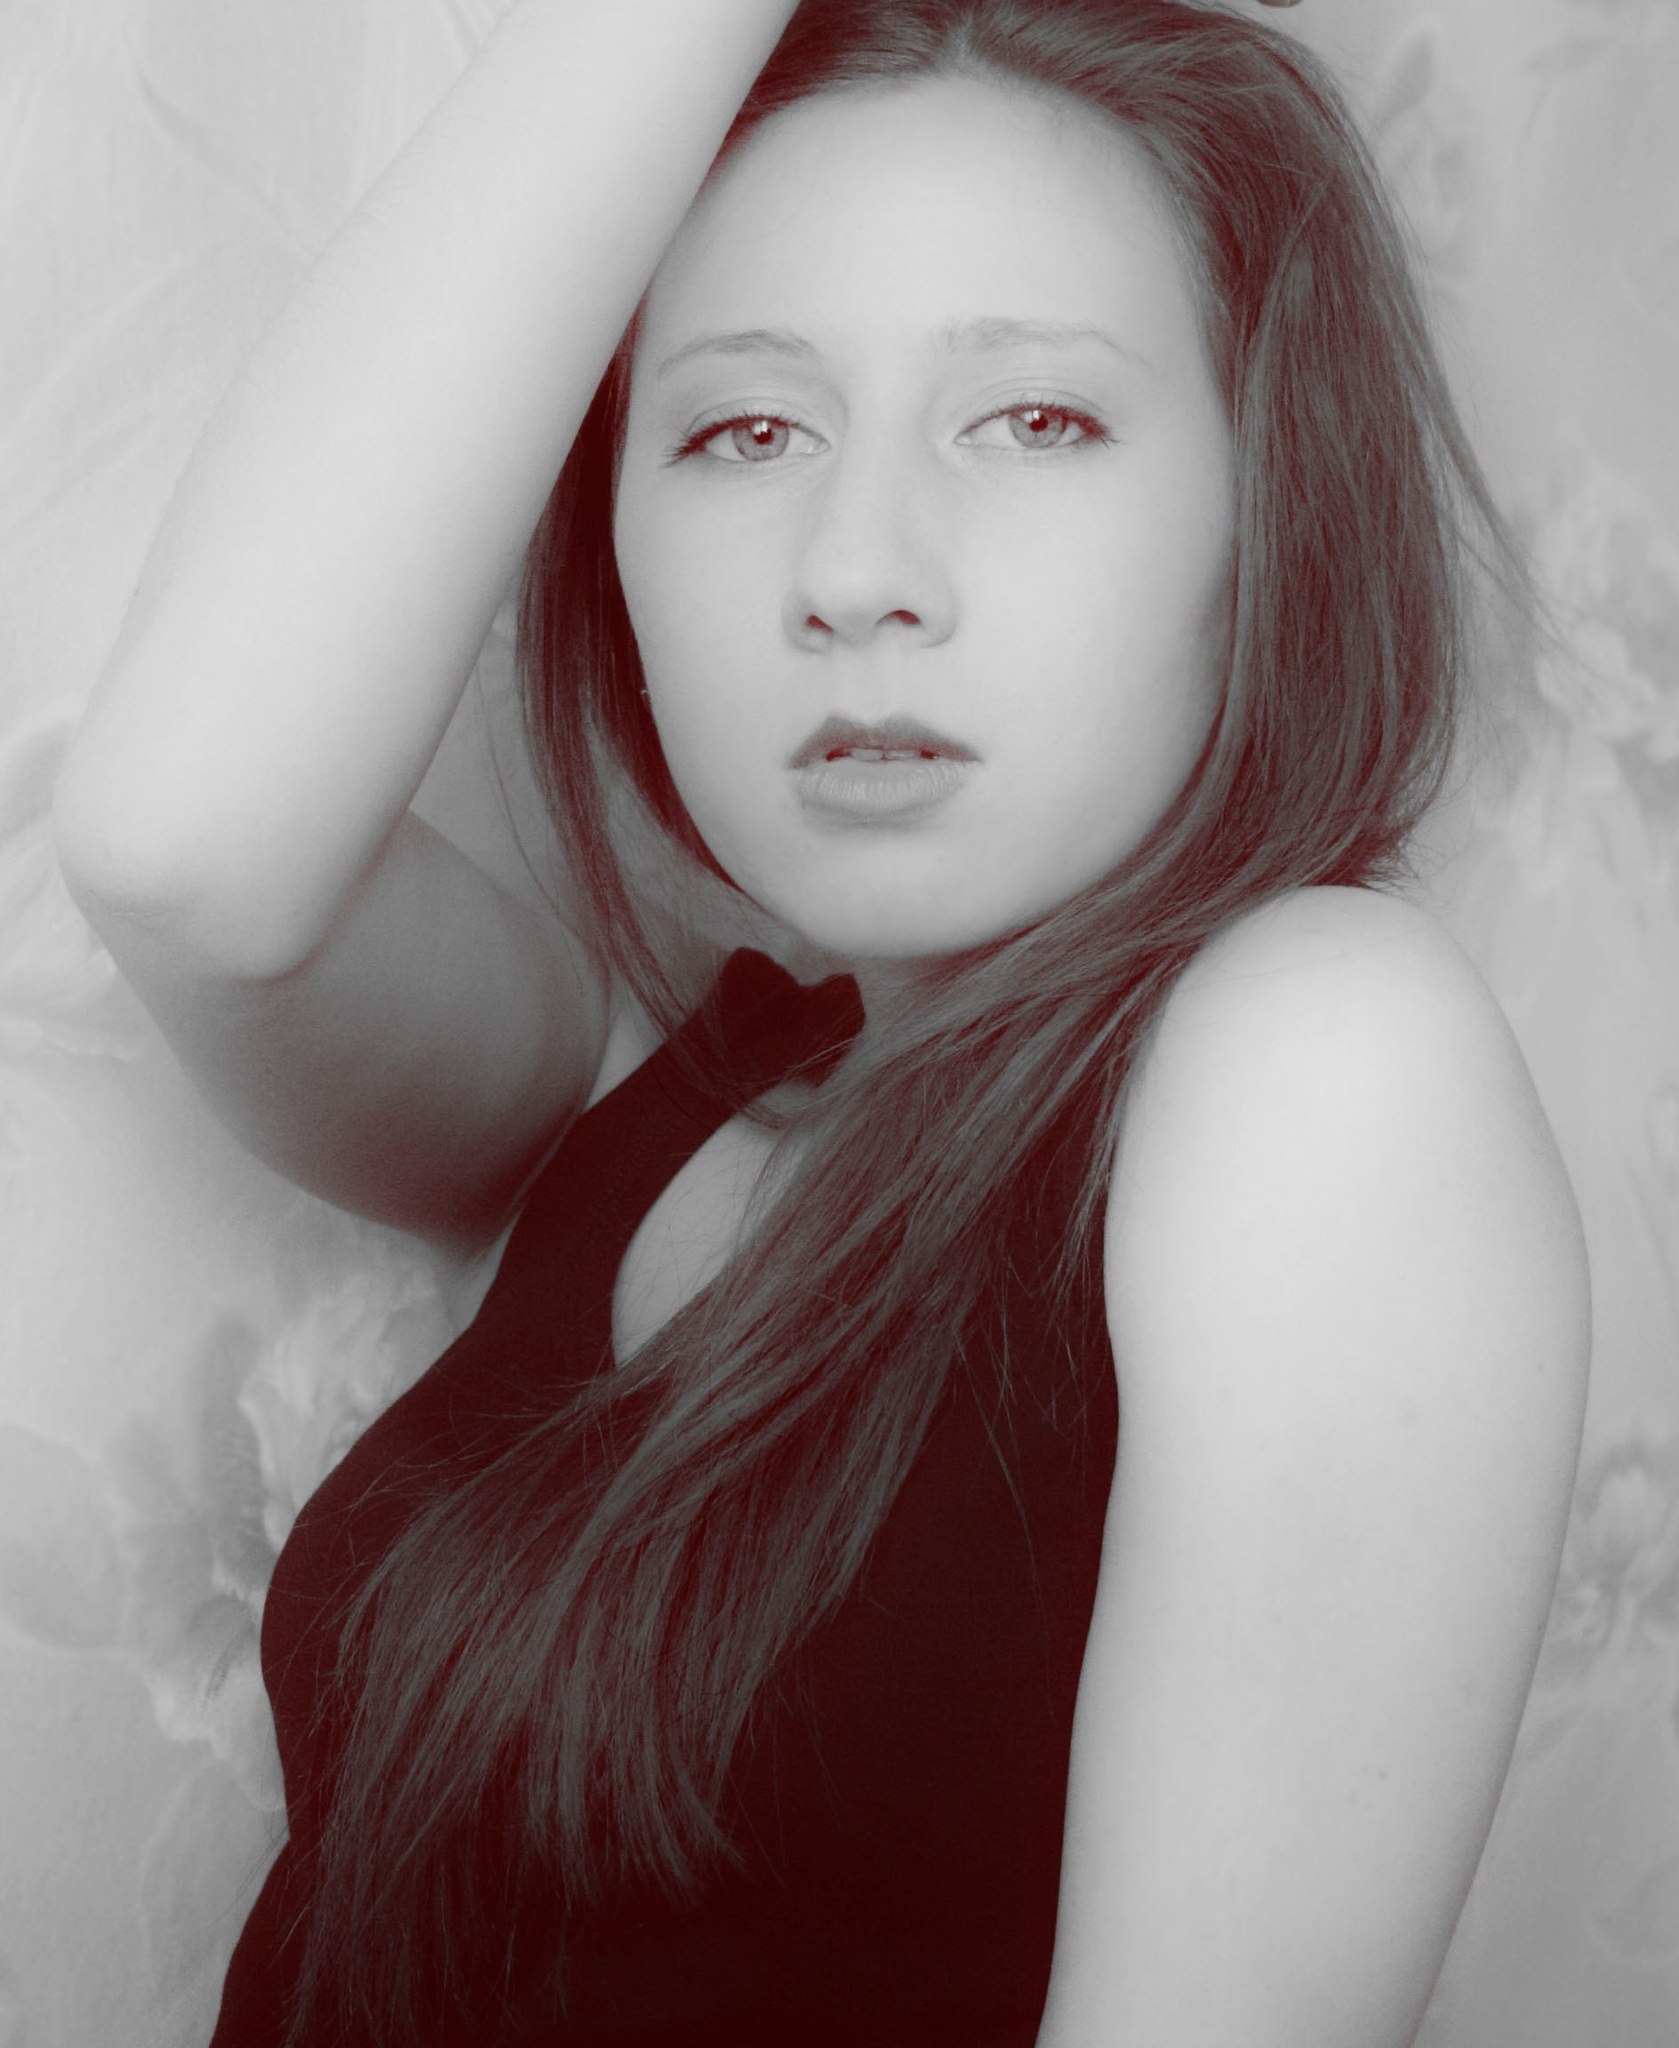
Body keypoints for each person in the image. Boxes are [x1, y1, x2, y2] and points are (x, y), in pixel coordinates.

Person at [50, 0, 1590, 2040]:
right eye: (744, 434)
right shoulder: (647, 1098)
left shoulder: (1319, 1056)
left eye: (1035, 420)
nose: (857, 573)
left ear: (1267, 512)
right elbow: (183, 847)